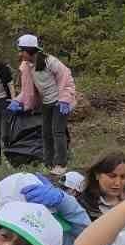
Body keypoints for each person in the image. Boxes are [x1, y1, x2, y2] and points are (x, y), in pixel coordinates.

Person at [7, 34, 76, 169]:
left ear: (30, 50)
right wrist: (17, 101)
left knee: (58, 132)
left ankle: (61, 164)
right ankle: (48, 163)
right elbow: (27, 91)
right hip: (46, 103)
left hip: (59, 102)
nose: (20, 54)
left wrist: (65, 100)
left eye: (22, 50)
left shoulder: (50, 62)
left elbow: (67, 80)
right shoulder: (26, 66)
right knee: (46, 133)